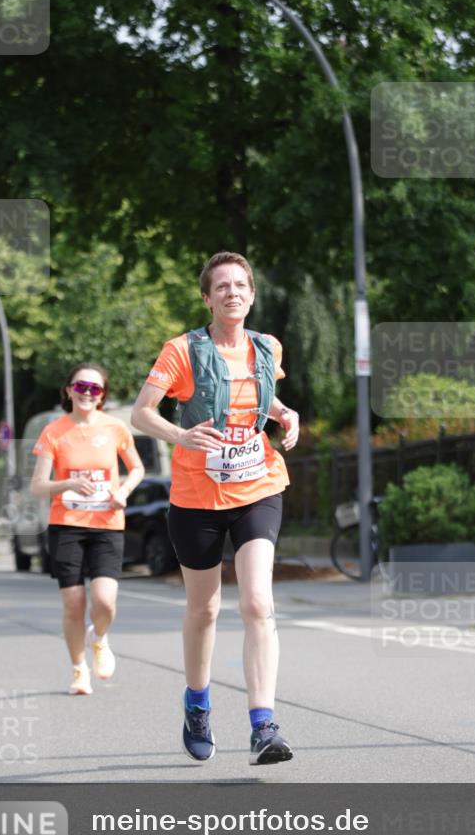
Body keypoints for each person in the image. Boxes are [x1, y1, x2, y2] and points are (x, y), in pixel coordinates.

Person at [131, 251, 300, 765]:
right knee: (204, 608)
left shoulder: (266, 346)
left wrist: (286, 414)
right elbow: (142, 413)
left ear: (251, 295)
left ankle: (263, 725)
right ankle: (198, 704)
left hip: (258, 485)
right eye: (221, 286)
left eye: (240, 285)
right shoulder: (181, 351)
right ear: (207, 297)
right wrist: (182, 434)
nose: (232, 292)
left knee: (255, 602)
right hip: (196, 496)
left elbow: (260, 399)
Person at [31, 363, 145, 695]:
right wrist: (68, 483)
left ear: (102, 395)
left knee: (104, 602)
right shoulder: (54, 431)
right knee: (73, 602)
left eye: (94, 388)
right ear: (68, 390)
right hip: (66, 525)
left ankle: (100, 637)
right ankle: (79, 669)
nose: (86, 393)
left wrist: (123, 491)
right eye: (80, 386)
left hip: (107, 524)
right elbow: (38, 486)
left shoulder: (115, 428)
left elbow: (136, 468)